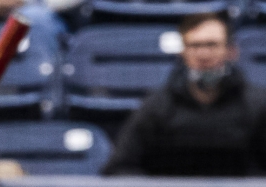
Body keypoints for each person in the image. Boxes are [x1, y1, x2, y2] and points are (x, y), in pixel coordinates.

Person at [103, 12, 266, 177]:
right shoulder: (158, 106)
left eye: (211, 45)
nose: (203, 54)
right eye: (195, 45)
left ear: (231, 51)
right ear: (183, 52)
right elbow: (120, 167)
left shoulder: (257, 105)